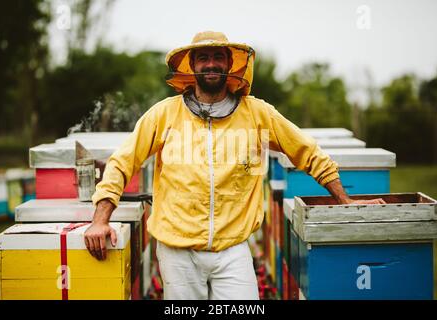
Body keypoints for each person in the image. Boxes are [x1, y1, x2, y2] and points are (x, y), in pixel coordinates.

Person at [84, 31, 385, 300]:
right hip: (177, 252)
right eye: (203, 58)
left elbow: (307, 152)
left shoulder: (258, 114)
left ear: (230, 64)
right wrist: (100, 219)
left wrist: (343, 199)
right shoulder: (163, 115)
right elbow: (121, 163)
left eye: (218, 57)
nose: (211, 64)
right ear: (191, 66)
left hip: (233, 250)